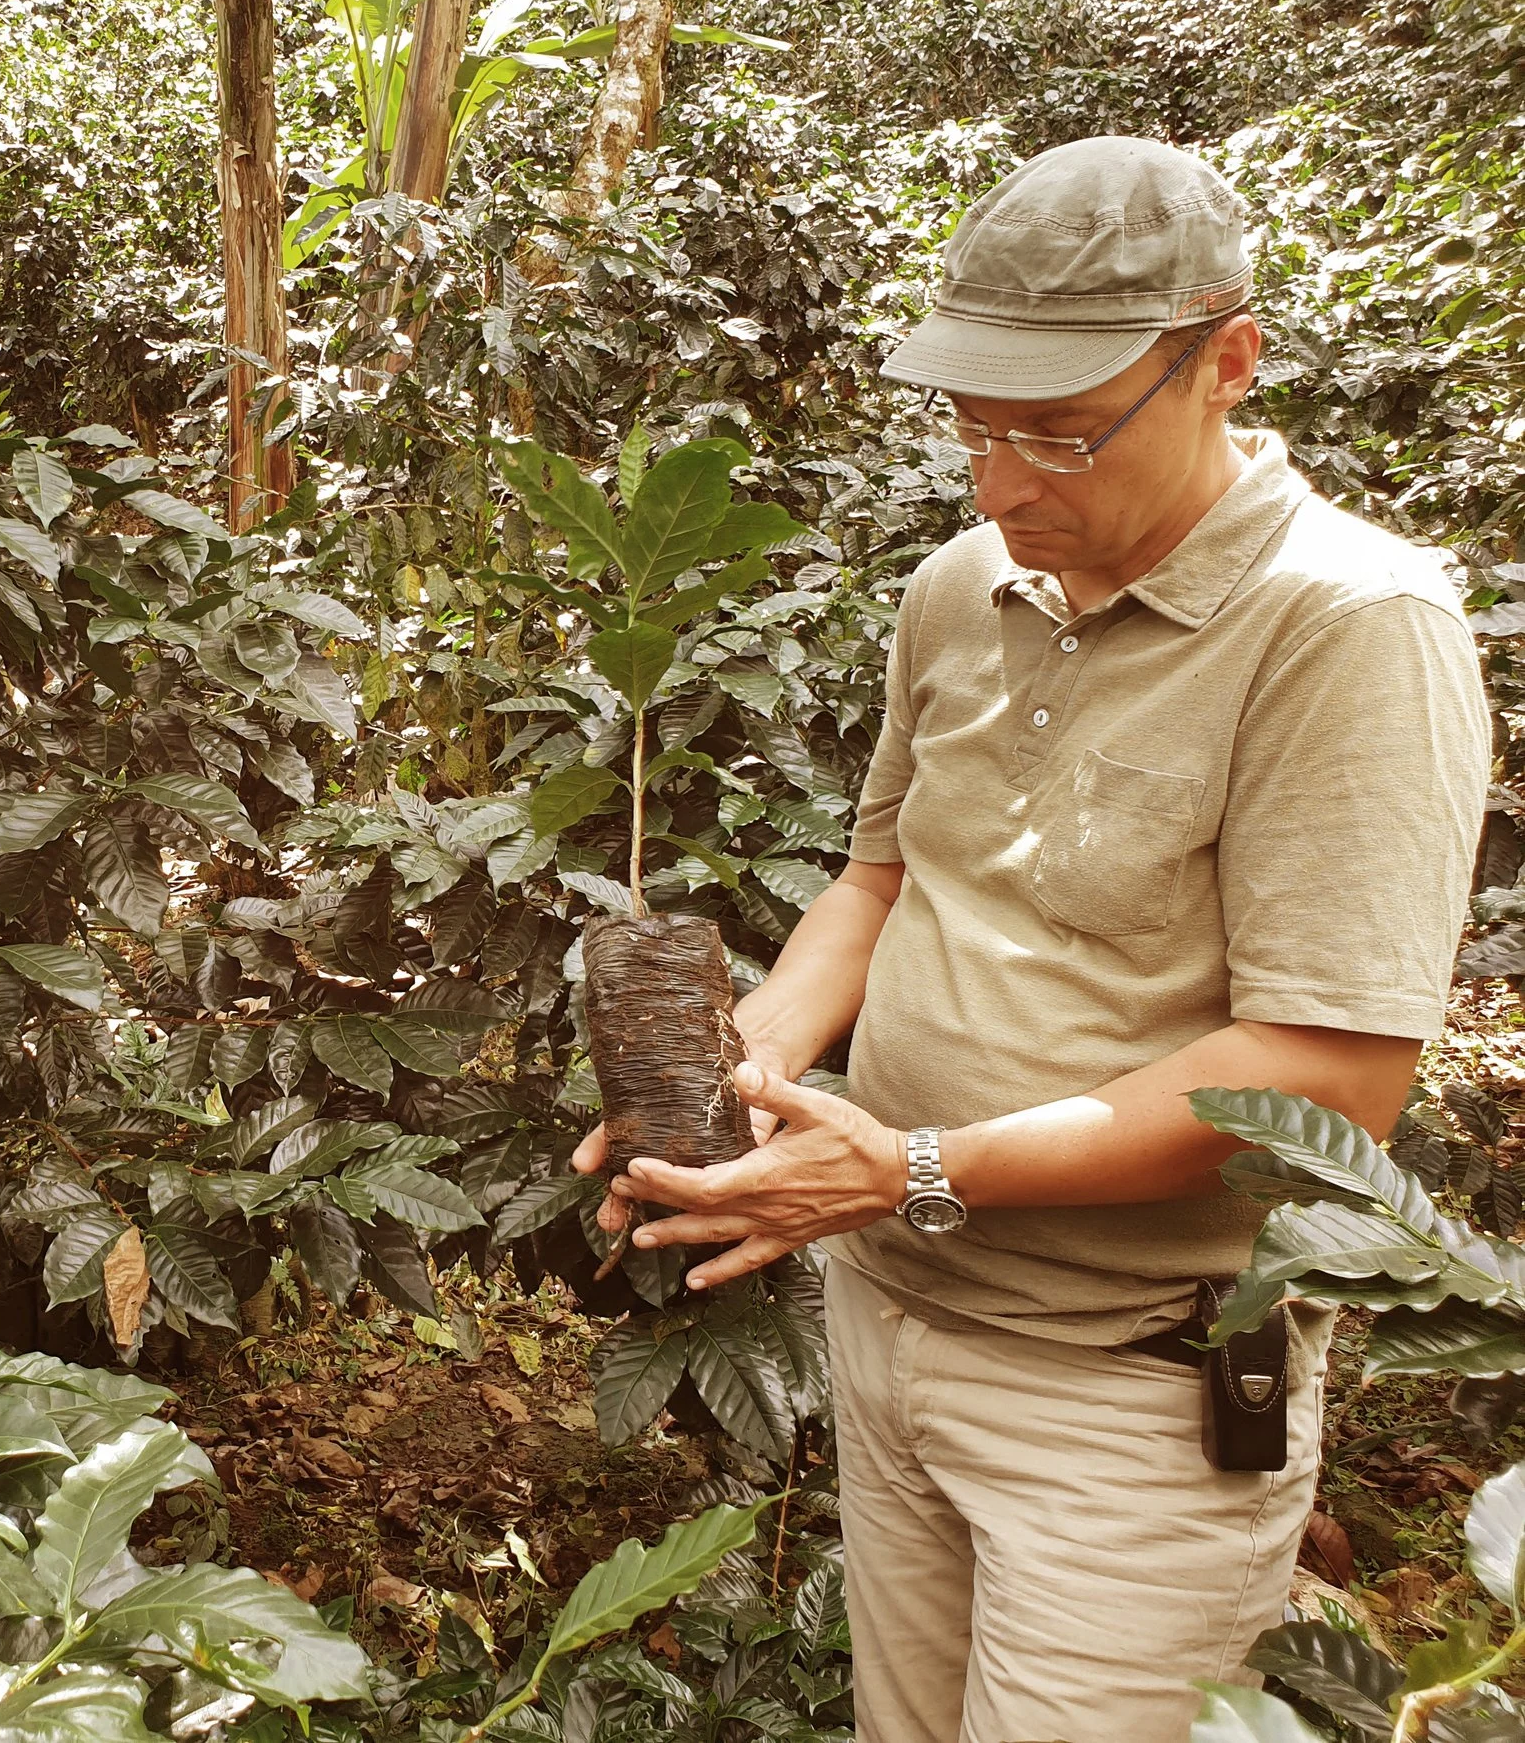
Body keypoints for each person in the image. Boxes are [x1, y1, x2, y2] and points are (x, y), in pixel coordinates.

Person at [573, 138, 1491, 1740]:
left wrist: (915, 1163)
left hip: (1129, 1390)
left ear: (1229, 363)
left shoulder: (1351, 628)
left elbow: (1329, 1077)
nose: (1002, 486)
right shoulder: (966, 583)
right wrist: (756, 1061)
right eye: (974, 425)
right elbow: (885, 879)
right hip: (893, 1320)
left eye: (1060, 434)